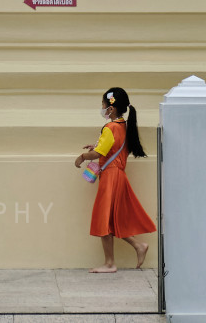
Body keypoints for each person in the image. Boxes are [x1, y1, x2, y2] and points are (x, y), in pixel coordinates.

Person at [74, 86, 155, 274]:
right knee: (109, 219)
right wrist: (97, 146)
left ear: (111, 108)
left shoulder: (110, 127)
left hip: (110, 177)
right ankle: (138, 246)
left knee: (104, 219)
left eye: (103, 104)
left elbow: (98, 153)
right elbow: (110, 147)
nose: (102, 108)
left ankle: (110, 263)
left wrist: (83, 157)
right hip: (118, 175)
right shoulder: (122, 125)